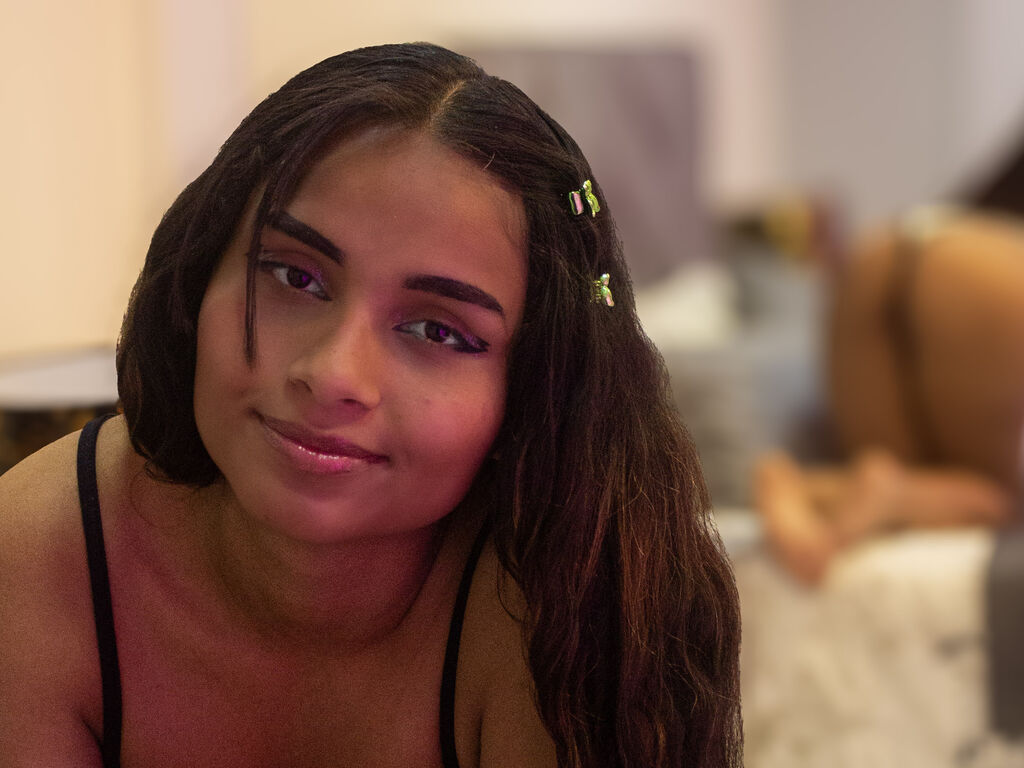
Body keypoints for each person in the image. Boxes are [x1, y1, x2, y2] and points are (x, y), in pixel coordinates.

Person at [0, 43, 742, 767]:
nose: (333, 374)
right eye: (295, 278)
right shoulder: (38, 555)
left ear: (536, 390)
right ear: (198, 275)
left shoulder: (564, 610)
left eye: (438, 331)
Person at [755, 206, 1024, 585]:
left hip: (879, 257)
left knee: (898, 471)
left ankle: (796, 484)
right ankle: (892, 494)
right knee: (1002, 505)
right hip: (988, 283)